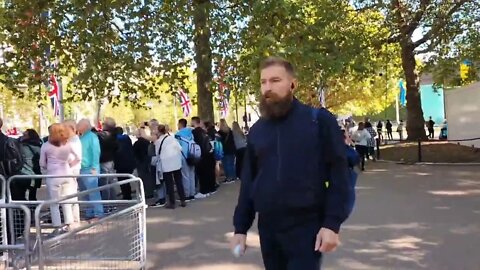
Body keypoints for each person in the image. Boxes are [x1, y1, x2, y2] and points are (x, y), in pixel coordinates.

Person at [232, 57, 351, 269]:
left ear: (292, 84)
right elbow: (249, 181)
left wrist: (332, 224)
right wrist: (240, 227)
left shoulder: (318, 121)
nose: (268, 87)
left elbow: (339, 174)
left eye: (275, 80)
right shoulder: (258, 130)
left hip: (306, 226)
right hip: (268, 228)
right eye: (263, 82)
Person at [39, 123, 81, 232]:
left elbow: (42, 163)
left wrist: (48, 166)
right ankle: (69, 223)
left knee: (54, 203)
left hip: (53, 175)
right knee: (66, 200)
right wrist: (69, 164)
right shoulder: (68, 144)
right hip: (66, 173)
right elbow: (78, 157)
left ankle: (57, 226)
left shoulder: (46, 146)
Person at [152, 124, 186, 209]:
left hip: (166, 164)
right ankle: (183, 200)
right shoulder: (172, 138)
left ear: (159, 132)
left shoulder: (158, 142)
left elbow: (157, 154)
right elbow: (180, 148)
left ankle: (172, 202)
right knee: (179, 182)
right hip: (176, 163)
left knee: (169, 184)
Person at [77, 119, 104, 220]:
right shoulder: (81, 137)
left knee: (93, 192)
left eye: (79, 124)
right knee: (85, 193)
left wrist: (94, 167)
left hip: (89, 169)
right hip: (82, 168)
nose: (77, 126)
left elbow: (96, 152)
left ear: (84, 126)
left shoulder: (92, 136)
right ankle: (90, 212)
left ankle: (98, 213)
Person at [192, 117, 216, 199]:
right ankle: (210, 188)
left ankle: (204, 191)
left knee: (202, 173)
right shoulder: (204, 132)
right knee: (208, 172)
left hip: (201, 154)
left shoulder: (195, 132)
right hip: (208, 154)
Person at [96, 117, 119, 200]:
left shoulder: (103, 136)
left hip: (104, 160)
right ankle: (113, 202)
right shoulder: (114, 135)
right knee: (110, 183)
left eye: (104, 124)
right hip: (110, 160)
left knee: (104, 184)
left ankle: (107, 204)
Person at [17, 129, 42, 201]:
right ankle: (33, 210)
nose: (22, 137)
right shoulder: (39, 146)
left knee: (21, 196)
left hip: (23, 173)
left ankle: (24, 211)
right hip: (34, 174)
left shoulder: (22, 146)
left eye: (24, 135)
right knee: (32, 196)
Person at [175, 119, 196, 201]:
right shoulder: (191, 132)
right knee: (191, 174)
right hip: (192, 154)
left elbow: (177, 146)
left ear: (180, 124)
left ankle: (186, 194)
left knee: (185, 176)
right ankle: (192, 193)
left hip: (183, 156)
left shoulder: (178, 134)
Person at [114, 127, 136, 200]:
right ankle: (128, 194)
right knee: (127, 178)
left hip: (120, 163)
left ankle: (125, 195)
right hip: (128, 162)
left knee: (121, 179)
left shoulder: (115, 140)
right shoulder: (127, 139)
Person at [218, 119, 236, 183]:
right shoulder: (230, 131)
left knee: (225, 165)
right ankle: (233, 177)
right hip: (231, 150)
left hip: (224, 150)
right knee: (231, 164)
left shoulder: (219, 133)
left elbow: (218, 142)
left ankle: (228, 177)